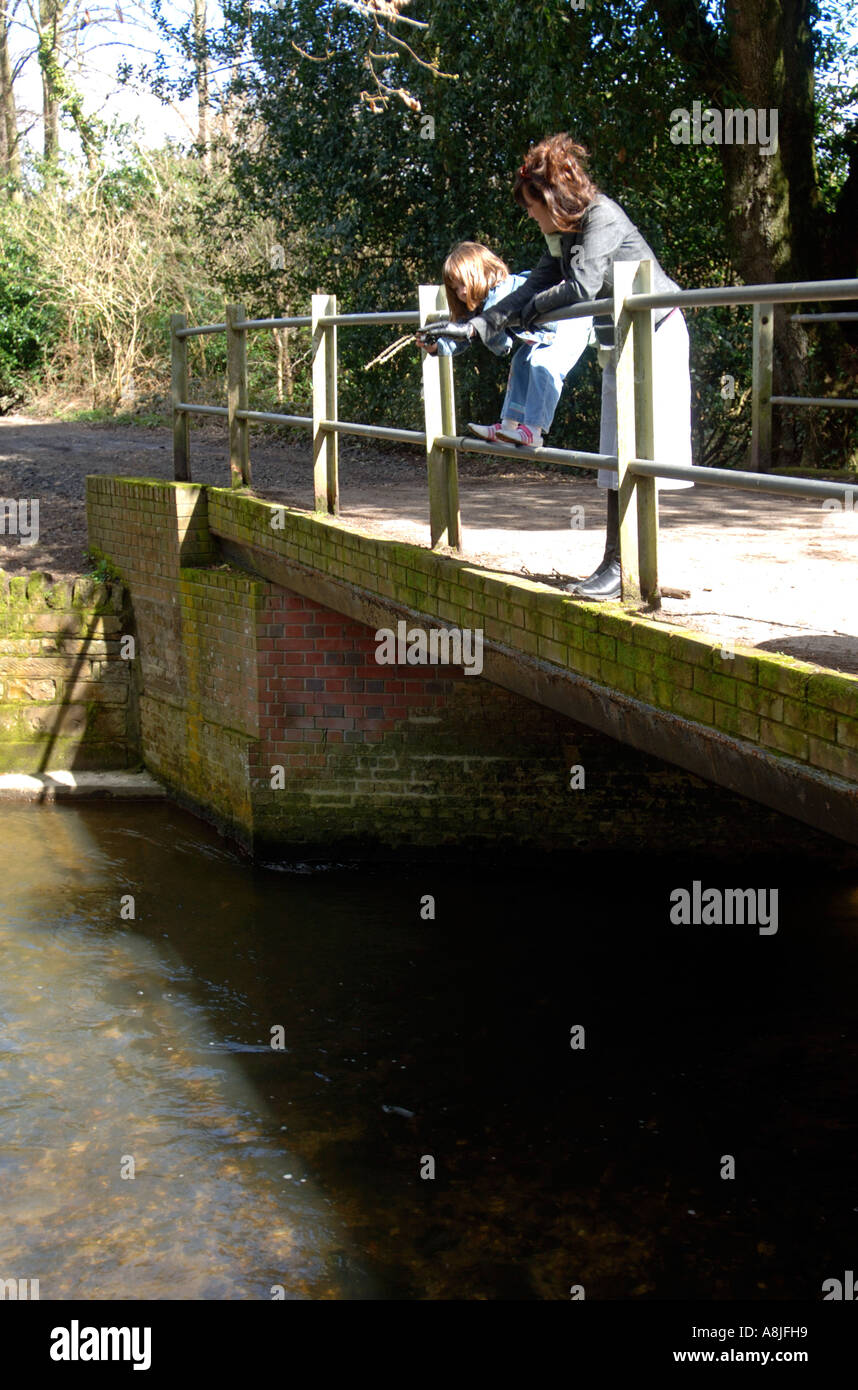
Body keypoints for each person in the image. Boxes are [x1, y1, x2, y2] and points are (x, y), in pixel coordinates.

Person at [464, 133, 693, 601]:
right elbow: (547, 278)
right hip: (622, 341)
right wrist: (485, 320)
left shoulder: (602, 217)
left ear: (550, 197)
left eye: (531, 205)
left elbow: (582, 288)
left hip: (657, 335)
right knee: (614, 457)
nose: (529, 214)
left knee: (644, 458)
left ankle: (626, 565)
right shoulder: (565, 231)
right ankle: (619, 563)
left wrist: (523, 314)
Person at [418, 240, 592, 449]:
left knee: (542, 362)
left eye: (463, 284)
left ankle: (534, 430)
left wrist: (476, 334)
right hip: (544, 333)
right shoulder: (481, 303)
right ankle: (508, 427)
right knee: (520, 362)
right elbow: (467, 334)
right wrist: (438, 347)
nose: (461, 293)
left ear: (480, 274)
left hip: (572, 319)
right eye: (455, 289)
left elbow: (498, 341)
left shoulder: (499, 292)